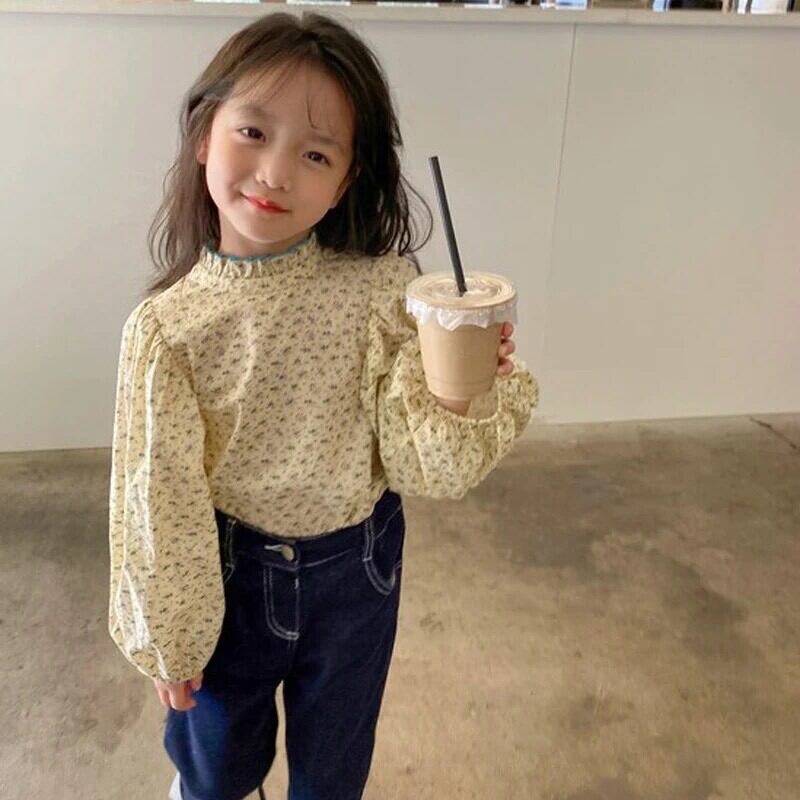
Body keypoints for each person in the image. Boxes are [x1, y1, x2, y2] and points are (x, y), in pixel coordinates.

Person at [107, 11, 539, 800]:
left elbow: (419, 465)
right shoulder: (170, 330)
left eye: (315, 153)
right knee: (215, 766)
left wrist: (455, 390)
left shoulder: (380, 290)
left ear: (345, 179)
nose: (275, 173)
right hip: (230, 575)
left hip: (358, 572)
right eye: (252, 132)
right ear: (203, 134)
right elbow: (157, 497)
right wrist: (170, 637)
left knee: (334, 768)